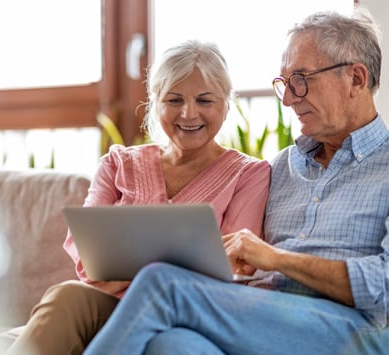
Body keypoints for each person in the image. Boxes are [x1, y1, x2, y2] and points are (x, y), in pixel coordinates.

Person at [83, 7, 389, 355]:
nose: (288, 99)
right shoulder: (282, 167)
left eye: (301, 79)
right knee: (170, 345)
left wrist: (276, 259)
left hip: (352, 328)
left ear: (357, 79)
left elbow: (385, 284)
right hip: (262, 318)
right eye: (285, 84)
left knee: (162, 283)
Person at [5, 40, 271, 355]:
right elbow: (89, 255)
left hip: (185, 316)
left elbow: (235, 266)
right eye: (174, 100)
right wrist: (164, 266)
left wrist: (130, 273)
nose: (188, 113)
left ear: (226, 104)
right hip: (109, 305)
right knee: (68, 296)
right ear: (155, 103)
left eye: (204, 100)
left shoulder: (249, 174)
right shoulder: (118, 163)